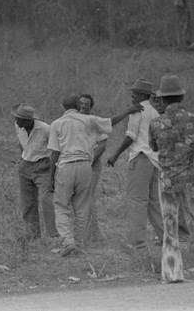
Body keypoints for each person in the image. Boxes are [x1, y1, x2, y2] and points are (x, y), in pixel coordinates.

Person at [149, 75, 194, 283]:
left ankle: (172, 274)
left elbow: (154, 147)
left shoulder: (156, 123)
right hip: (191, 180)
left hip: (167, 181)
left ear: (162, 99)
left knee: (170, 225)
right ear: (181, 97)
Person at [48, 94, 142, 257]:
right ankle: (78, 243)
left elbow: (54, 153)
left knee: (62, 206)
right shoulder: (89, 120)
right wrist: (127, 111)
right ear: (78, 106)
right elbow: (110, 121)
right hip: (86, 165)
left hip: (66, 166)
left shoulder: (56, 124)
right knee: (82, 206)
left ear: (64, 107)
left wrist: (51, 177)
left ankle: (68, 241)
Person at [107, 78, 163, 249]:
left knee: (136, 200)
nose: (132, 95)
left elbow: (131, 136)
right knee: (154, 201)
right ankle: (165, 236)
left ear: (143, 95)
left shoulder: (137, 110)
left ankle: (138, 242)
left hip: (140, 157)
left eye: (135, 92)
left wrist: (115, 154)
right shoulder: (154, 112)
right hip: (154, 160)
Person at [11, 103, 58, 239]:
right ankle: (32, 234)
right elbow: (21, 142)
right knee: (27, 203)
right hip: (25, 165)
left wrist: (53, 171)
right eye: (16, 118)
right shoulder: (18, 126)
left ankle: (53, 235)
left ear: (29, 120)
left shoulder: (45, 129)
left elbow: (56, 148)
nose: (16, 121)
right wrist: (21, 158)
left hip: (43, 165)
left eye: (20, 119)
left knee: (46, 200)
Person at [78, 94, 107, 243]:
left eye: (87, 104)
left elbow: (102, 146)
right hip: (75, 164)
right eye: (81, 103)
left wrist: (89, 162)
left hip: (91, 164)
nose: (83, 106)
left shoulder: (95, 122)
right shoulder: (72, 121)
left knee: (87, 198)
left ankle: (94, 235)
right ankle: (89, 234)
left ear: (91, 107)